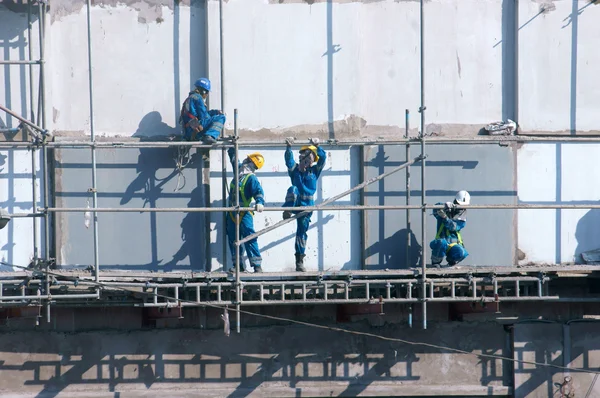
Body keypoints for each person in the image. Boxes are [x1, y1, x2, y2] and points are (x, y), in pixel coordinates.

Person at [282, 137, 327, 272]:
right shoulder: (295, 170)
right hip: (295, 203)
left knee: (301, 233)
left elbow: (323, 160)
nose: (307, 160)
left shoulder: (314, 171)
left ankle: (299, 260)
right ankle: (287, 210)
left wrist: (317, 146)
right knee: (293, 189)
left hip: (307, 207)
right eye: (305, 157)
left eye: (310, 157)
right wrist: (289, 147)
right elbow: (288, 161)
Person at [226, 147, 266, 273]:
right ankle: (238, 265)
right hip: (232, 212)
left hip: (244, 212)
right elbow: (234, 161)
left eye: (247, 159)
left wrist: (260, 202)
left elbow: (258, 192)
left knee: (249, 237)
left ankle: (256, 265)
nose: (244, 160)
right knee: (233, 239)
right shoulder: (239, 173)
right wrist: (232, 149)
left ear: (251, 163)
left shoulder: (250, 178)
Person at [430, 190, 470, 267]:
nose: (461, 208)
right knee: (441, 243)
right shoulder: (446, 210)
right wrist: (443, 206)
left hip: (453, 243)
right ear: (455, 202)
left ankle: (450, 265)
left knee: (462, 253)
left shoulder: (462, 217)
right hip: (441, 241)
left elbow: (453, 227)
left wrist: (445, 217)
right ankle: (435, 263)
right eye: (459, 205)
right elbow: (435, 208)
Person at [179, 78, 225, 144]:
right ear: (204, 91)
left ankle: (208, 135)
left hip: (188, 131)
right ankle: (209, 135)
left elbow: (200, 114)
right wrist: (214, 119)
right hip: (195, 130)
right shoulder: (198, 98)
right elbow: (204, 116)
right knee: (221, 118)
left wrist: (215, 112)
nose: (207, 95)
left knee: (215, 117)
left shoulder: (190, 98)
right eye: (207, 92)